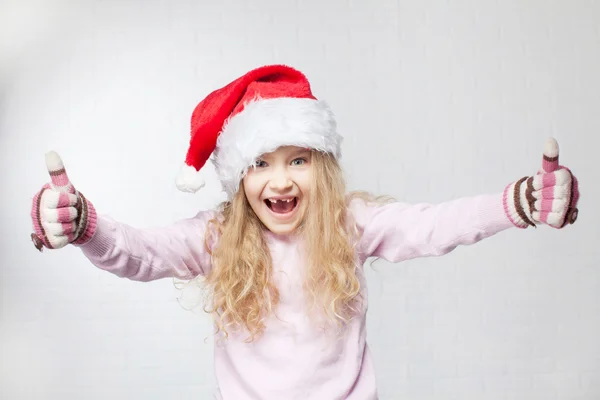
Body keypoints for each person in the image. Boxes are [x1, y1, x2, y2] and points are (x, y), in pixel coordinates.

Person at [29, 64, 580, 400]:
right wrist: (83, 225)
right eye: (261, 163)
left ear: (323, 167)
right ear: (238, 177)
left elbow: (433, 226)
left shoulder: (349, 223)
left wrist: (519, 202)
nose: (281, 179)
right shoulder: (218, 235)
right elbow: (140, 253)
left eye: (298, 160)